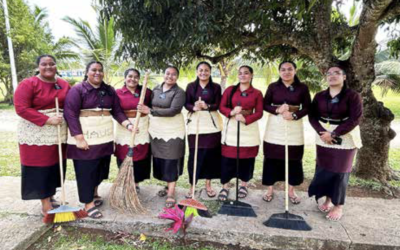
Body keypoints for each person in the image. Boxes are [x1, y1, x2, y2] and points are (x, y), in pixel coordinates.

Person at [64, 61, 132, 219]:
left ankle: (94, 194)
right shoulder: (77, 90)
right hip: (85, 138)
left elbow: (117, 111)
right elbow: (70, 114)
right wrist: (79, 138)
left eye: (100, 70)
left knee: (100, 169)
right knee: (86, 171)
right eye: (93, 70)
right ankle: (88, 203)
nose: (97, 73)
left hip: (105, 138)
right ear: (87, 72)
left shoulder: (109, 91)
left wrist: (128, 124)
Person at [14, 55, 70, 216]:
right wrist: (47, 119)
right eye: (44, 64)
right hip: (36, 134)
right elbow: (21, 108)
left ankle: (51, 197)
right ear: (38, 66)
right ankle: (46, 205)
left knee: (55, 166)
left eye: (52, 64)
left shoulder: (62, 84)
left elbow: (72, 102)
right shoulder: (28, 84)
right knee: (41, 168)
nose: (48, 67)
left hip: (58, 133)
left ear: (56, 66)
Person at [308, 65, 363, 221]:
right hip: (323, 135)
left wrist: (335, 133)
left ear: (344, 77)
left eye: (337, 73)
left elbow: (355, 119)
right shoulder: (319, 96)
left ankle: (338, 205)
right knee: (324, 169)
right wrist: (322, 132)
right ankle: (327, 199)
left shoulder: (353, 96)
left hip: (345, 135)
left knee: (340, 171)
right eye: (329, 73)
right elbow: (312, 116)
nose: (332, 75)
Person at [262, 61, 311, 204]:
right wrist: (277, 110)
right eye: (283, 69)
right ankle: (270, 189)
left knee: (293, 159)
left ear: (295, 71)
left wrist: (294, 115)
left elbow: (308, 107)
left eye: (290, 69)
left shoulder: (302, 88)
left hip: (294, 127)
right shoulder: (273, 87)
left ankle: (290, 190)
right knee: (271, 158)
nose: (286, 72)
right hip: (274, 127)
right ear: (279, 72)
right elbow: (265, 104)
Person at [138, 66, 186, 208]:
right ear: (163, 74)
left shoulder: (179, 92)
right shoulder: (156, 90)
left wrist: (151, 111)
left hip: (173, 131)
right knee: (160, 159)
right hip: (157, 130)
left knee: (172, 158)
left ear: (177, 77)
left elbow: (173, 110)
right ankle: (167, 186)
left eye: (173, 74)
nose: (170, 76)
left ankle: (171, 192)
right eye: (167, 73)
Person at [218, 65, 263, 201]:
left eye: (246, 73)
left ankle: (244, 185)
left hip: (248, 129)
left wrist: (246, 119)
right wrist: (231, 112)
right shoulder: (230, 90)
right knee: (228, 160)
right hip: (232, 127)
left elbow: (260, 112)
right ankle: (225, 186)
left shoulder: (257, 93)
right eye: (240, 73)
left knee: (247, 160)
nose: (243, 75)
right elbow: (222, 107)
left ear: (251, 75)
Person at [184, 61, 223, 198]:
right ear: (197, 72)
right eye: (201, 70)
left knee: (210, 155)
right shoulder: (191, 87)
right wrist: (193, 107)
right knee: (195, 155)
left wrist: (207, 106)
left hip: (212, 126)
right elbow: (186, 103)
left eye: (206, 70)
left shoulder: (216, 87)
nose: (203, 73)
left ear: (210, 72)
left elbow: (218, 104)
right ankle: (192, 185)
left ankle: (208, 184)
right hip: (196, 125)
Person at [115, 68, 152, 192]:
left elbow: (154, 106)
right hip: (124, 127)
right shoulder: (118, 93)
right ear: (125, 78)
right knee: (124, 154)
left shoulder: (145, 92)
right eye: (130, 76)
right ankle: (126, 182)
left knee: (140, 155)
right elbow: (116, 111)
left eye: (136, 77)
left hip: (141, 127)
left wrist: (148, 109)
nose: (133, 79)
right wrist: (128, 125)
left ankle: (136, 183)